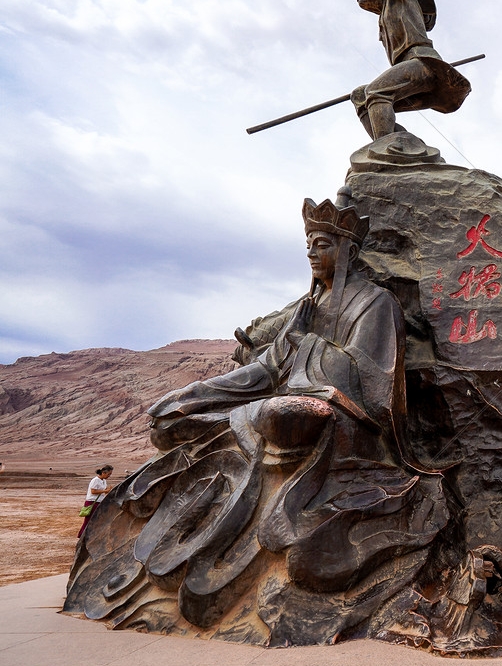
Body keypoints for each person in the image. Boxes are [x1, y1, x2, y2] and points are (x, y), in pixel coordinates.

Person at [66, 197, 448, 642]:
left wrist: (306, 345)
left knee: (284, 414)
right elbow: (266, 369)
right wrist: (194, 393)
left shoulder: (375, 303)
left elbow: (373, 381)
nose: (311, 253)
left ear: (345, 251)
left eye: (321, 244)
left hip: (348, 421)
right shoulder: (310, 306)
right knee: (175, 419)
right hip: (285, 407)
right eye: (307, 244)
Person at [341, 0, 470, 140]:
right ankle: (405, 147)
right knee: (360, 96)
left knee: (377, 93)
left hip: (422, 64)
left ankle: (387, 150)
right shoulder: (385, 16)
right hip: (410, 72)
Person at [77, 465, 112, 538]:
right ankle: (83, 535)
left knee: (96, 519)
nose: (109, 476)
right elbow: (93, 491)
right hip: (92, 502)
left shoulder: (104, 481)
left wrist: (107, 491)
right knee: (88, 520)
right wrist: (105, 491)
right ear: (103, 473)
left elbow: (102, 492)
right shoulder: (95, 480)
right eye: (108, 474)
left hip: (99, 502)